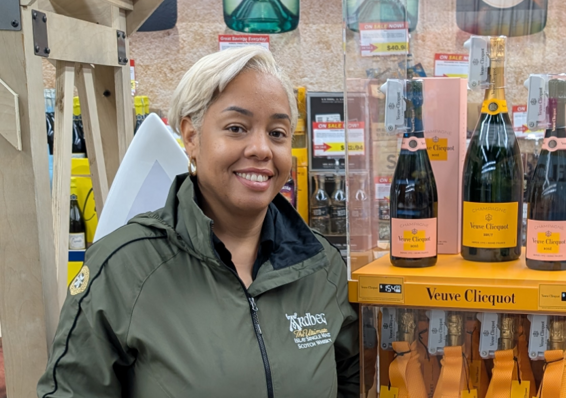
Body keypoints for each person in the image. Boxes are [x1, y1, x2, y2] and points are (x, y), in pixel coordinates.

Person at [38, 46, 359, 398]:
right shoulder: (123, 269)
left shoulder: (321, 266)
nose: (262, 149)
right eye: (237, 128)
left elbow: (352, 383)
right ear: (191, 137)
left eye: (277, 133)